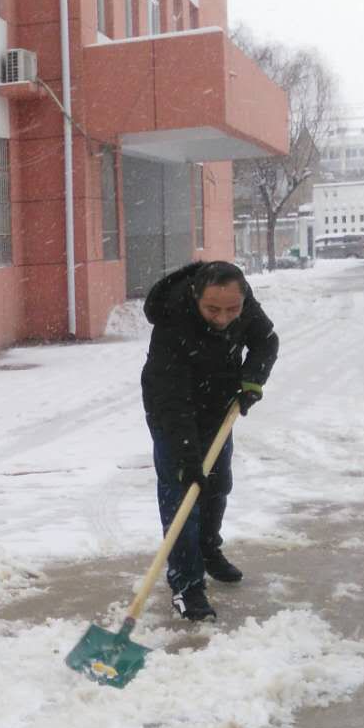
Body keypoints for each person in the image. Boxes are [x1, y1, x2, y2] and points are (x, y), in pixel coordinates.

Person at [140, 260, 279, 622]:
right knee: (184, 492)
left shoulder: (243, 305)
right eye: (212, 309)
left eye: (232, 309)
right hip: (172, 411)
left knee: (217, 483)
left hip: (218, 406)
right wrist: (187, 457)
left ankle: (207, 549)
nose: (223, 318)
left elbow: (266, 341)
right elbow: (171, 402)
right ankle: (186, 583)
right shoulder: (173, 322)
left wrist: (252, 381)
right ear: (196, 296)